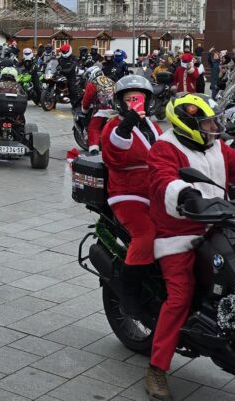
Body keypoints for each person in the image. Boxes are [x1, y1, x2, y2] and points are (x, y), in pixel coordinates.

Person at [145, 94, 235, 400]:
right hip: (179, 231)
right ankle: (157, 369)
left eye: (214, 120)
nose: (215, 126)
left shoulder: (217, 147)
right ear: (188, 125)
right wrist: (185, 195)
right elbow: (162, 180)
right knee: (180, 296)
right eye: (208, 122)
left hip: (221, 223)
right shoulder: (165, 147)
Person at [98, 75, 161, 314]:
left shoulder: (153, 126)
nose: (136, 103)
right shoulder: (114, 127)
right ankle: (129, 290)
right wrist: (128, 123)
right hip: (127, 193)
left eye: (140, 99)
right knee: (146, 234)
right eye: (130, 99)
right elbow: (113, 154)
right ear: (121, 102)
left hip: (156, 190)